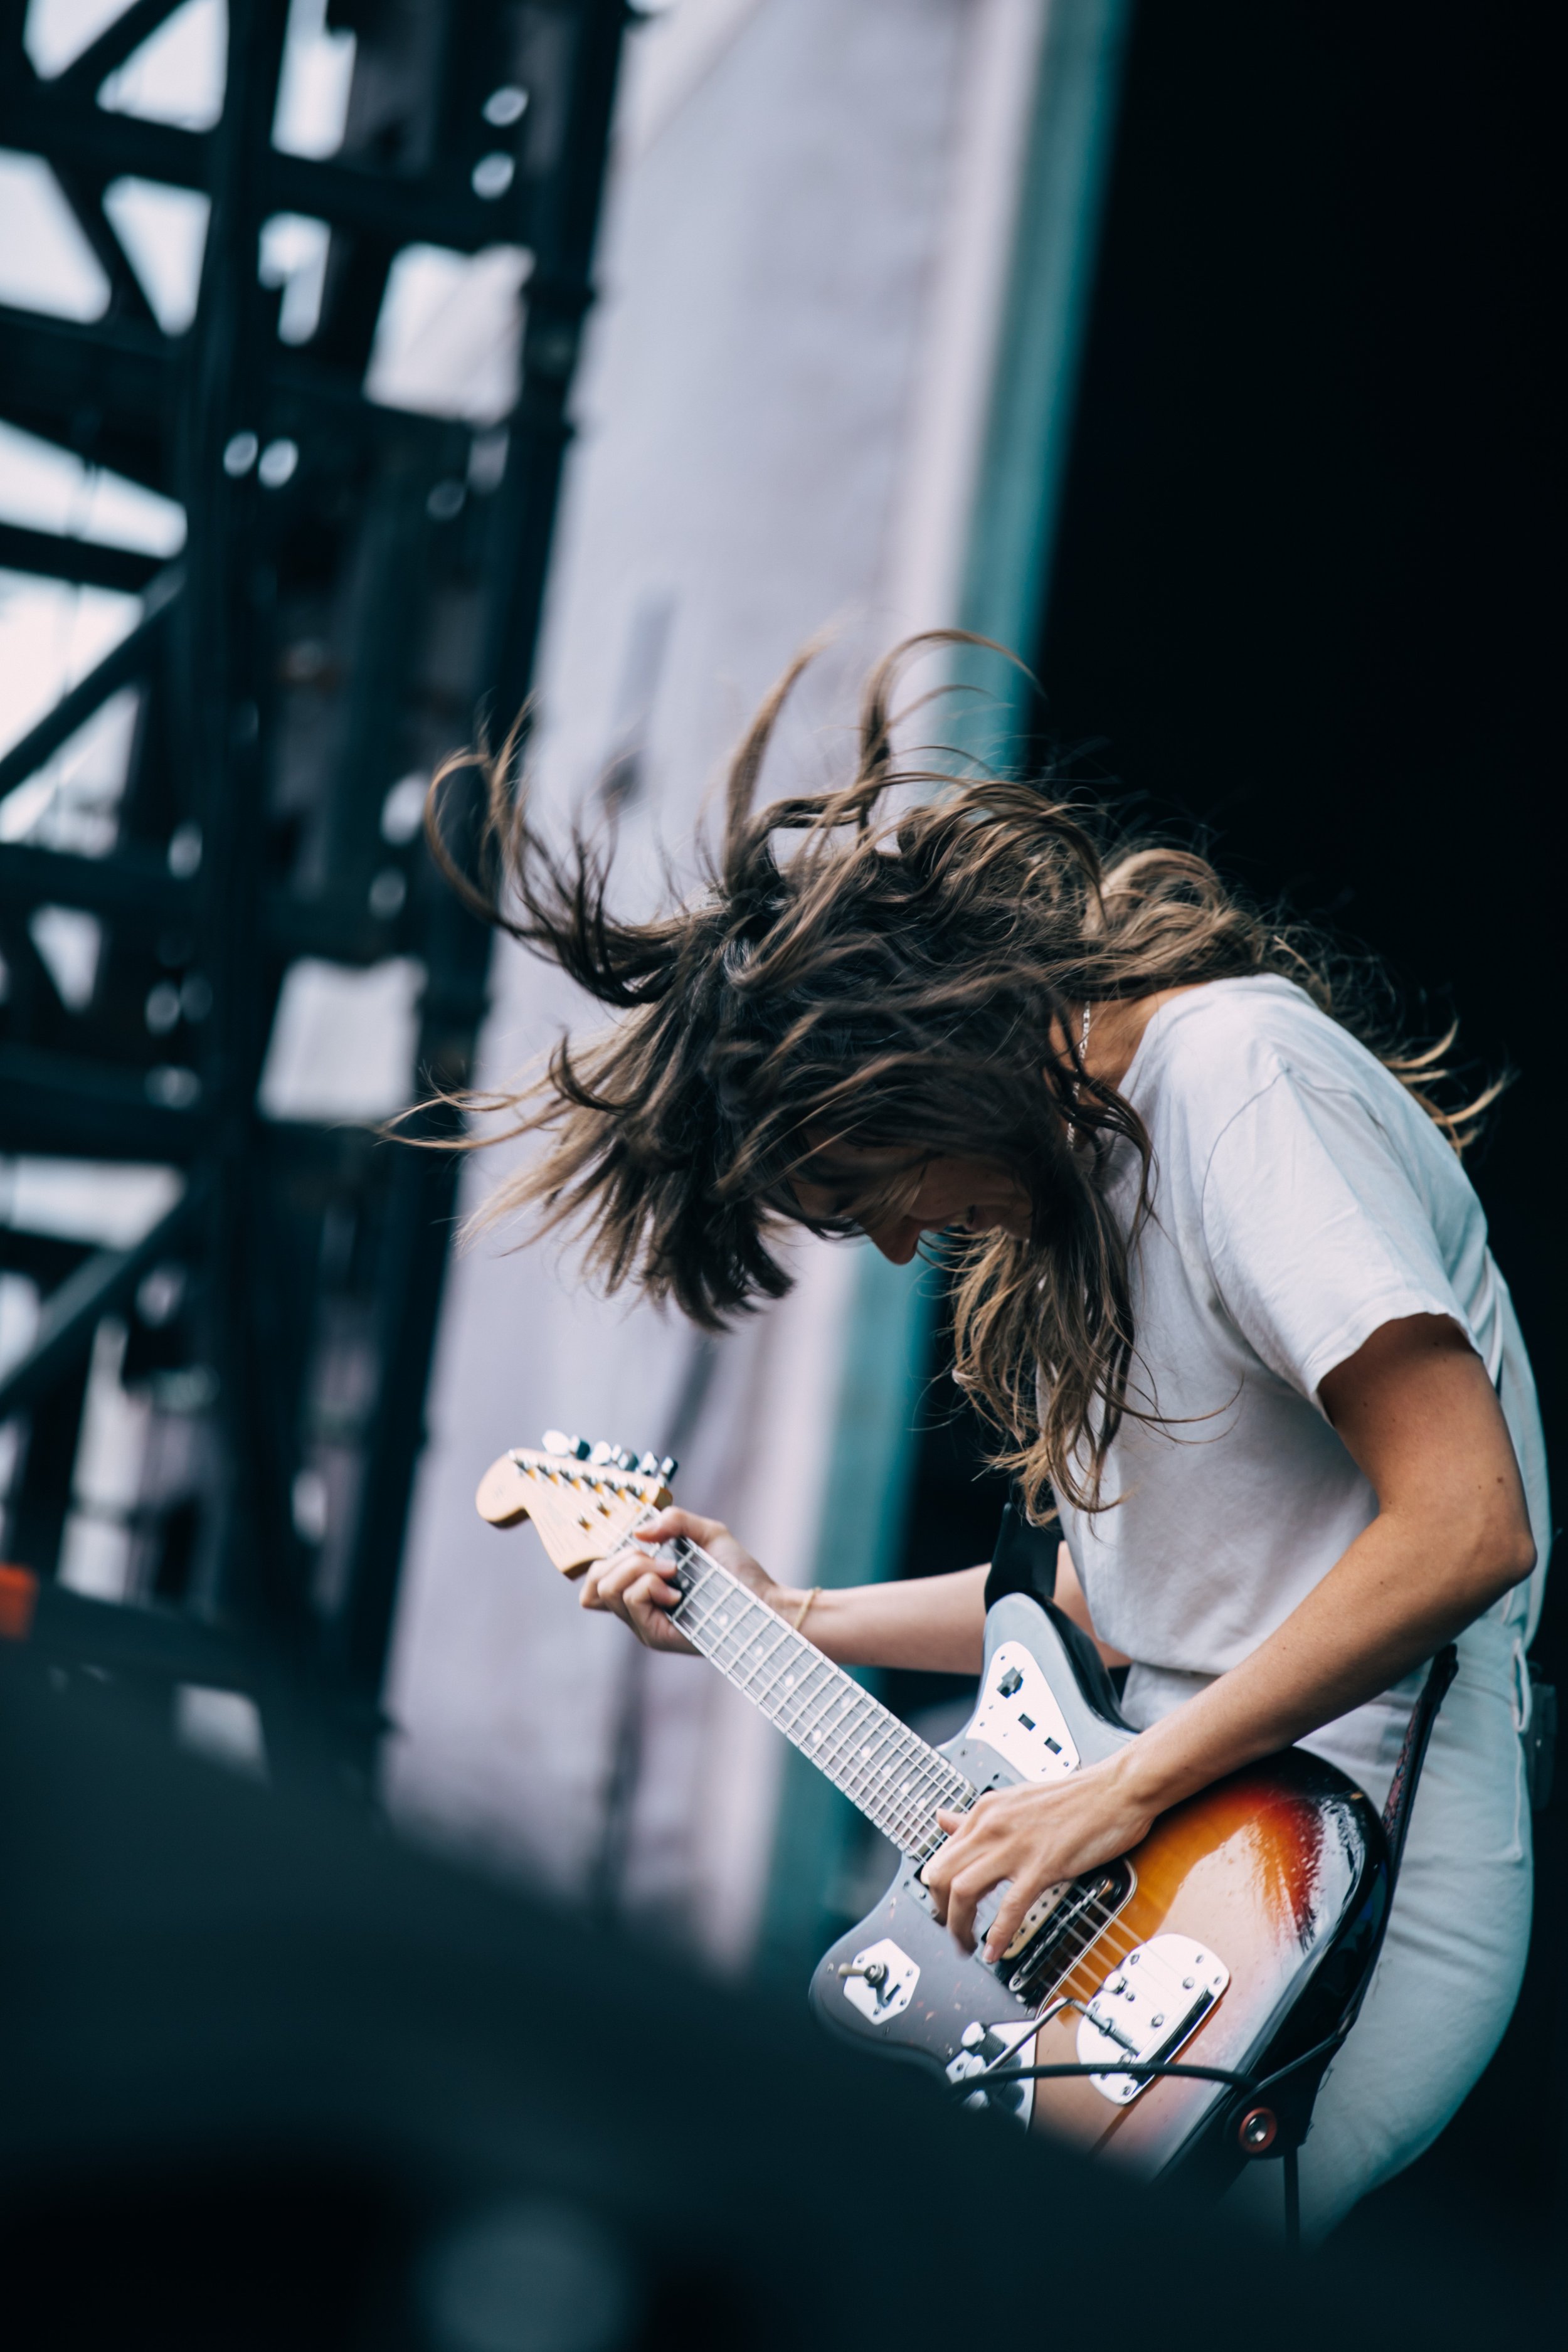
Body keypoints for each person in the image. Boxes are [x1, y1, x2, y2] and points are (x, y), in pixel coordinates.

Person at [432, 637, 1549, 2238]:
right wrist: (774, 1618)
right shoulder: (1084, 1204)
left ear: (887, 1076)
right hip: (1166, 1847)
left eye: (848, 1197)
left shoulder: (1234, 1081)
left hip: (1320, 1871)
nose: (889, 1245)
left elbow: (1464, 1527)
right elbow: (1115, 1615)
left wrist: (1114, 1792)